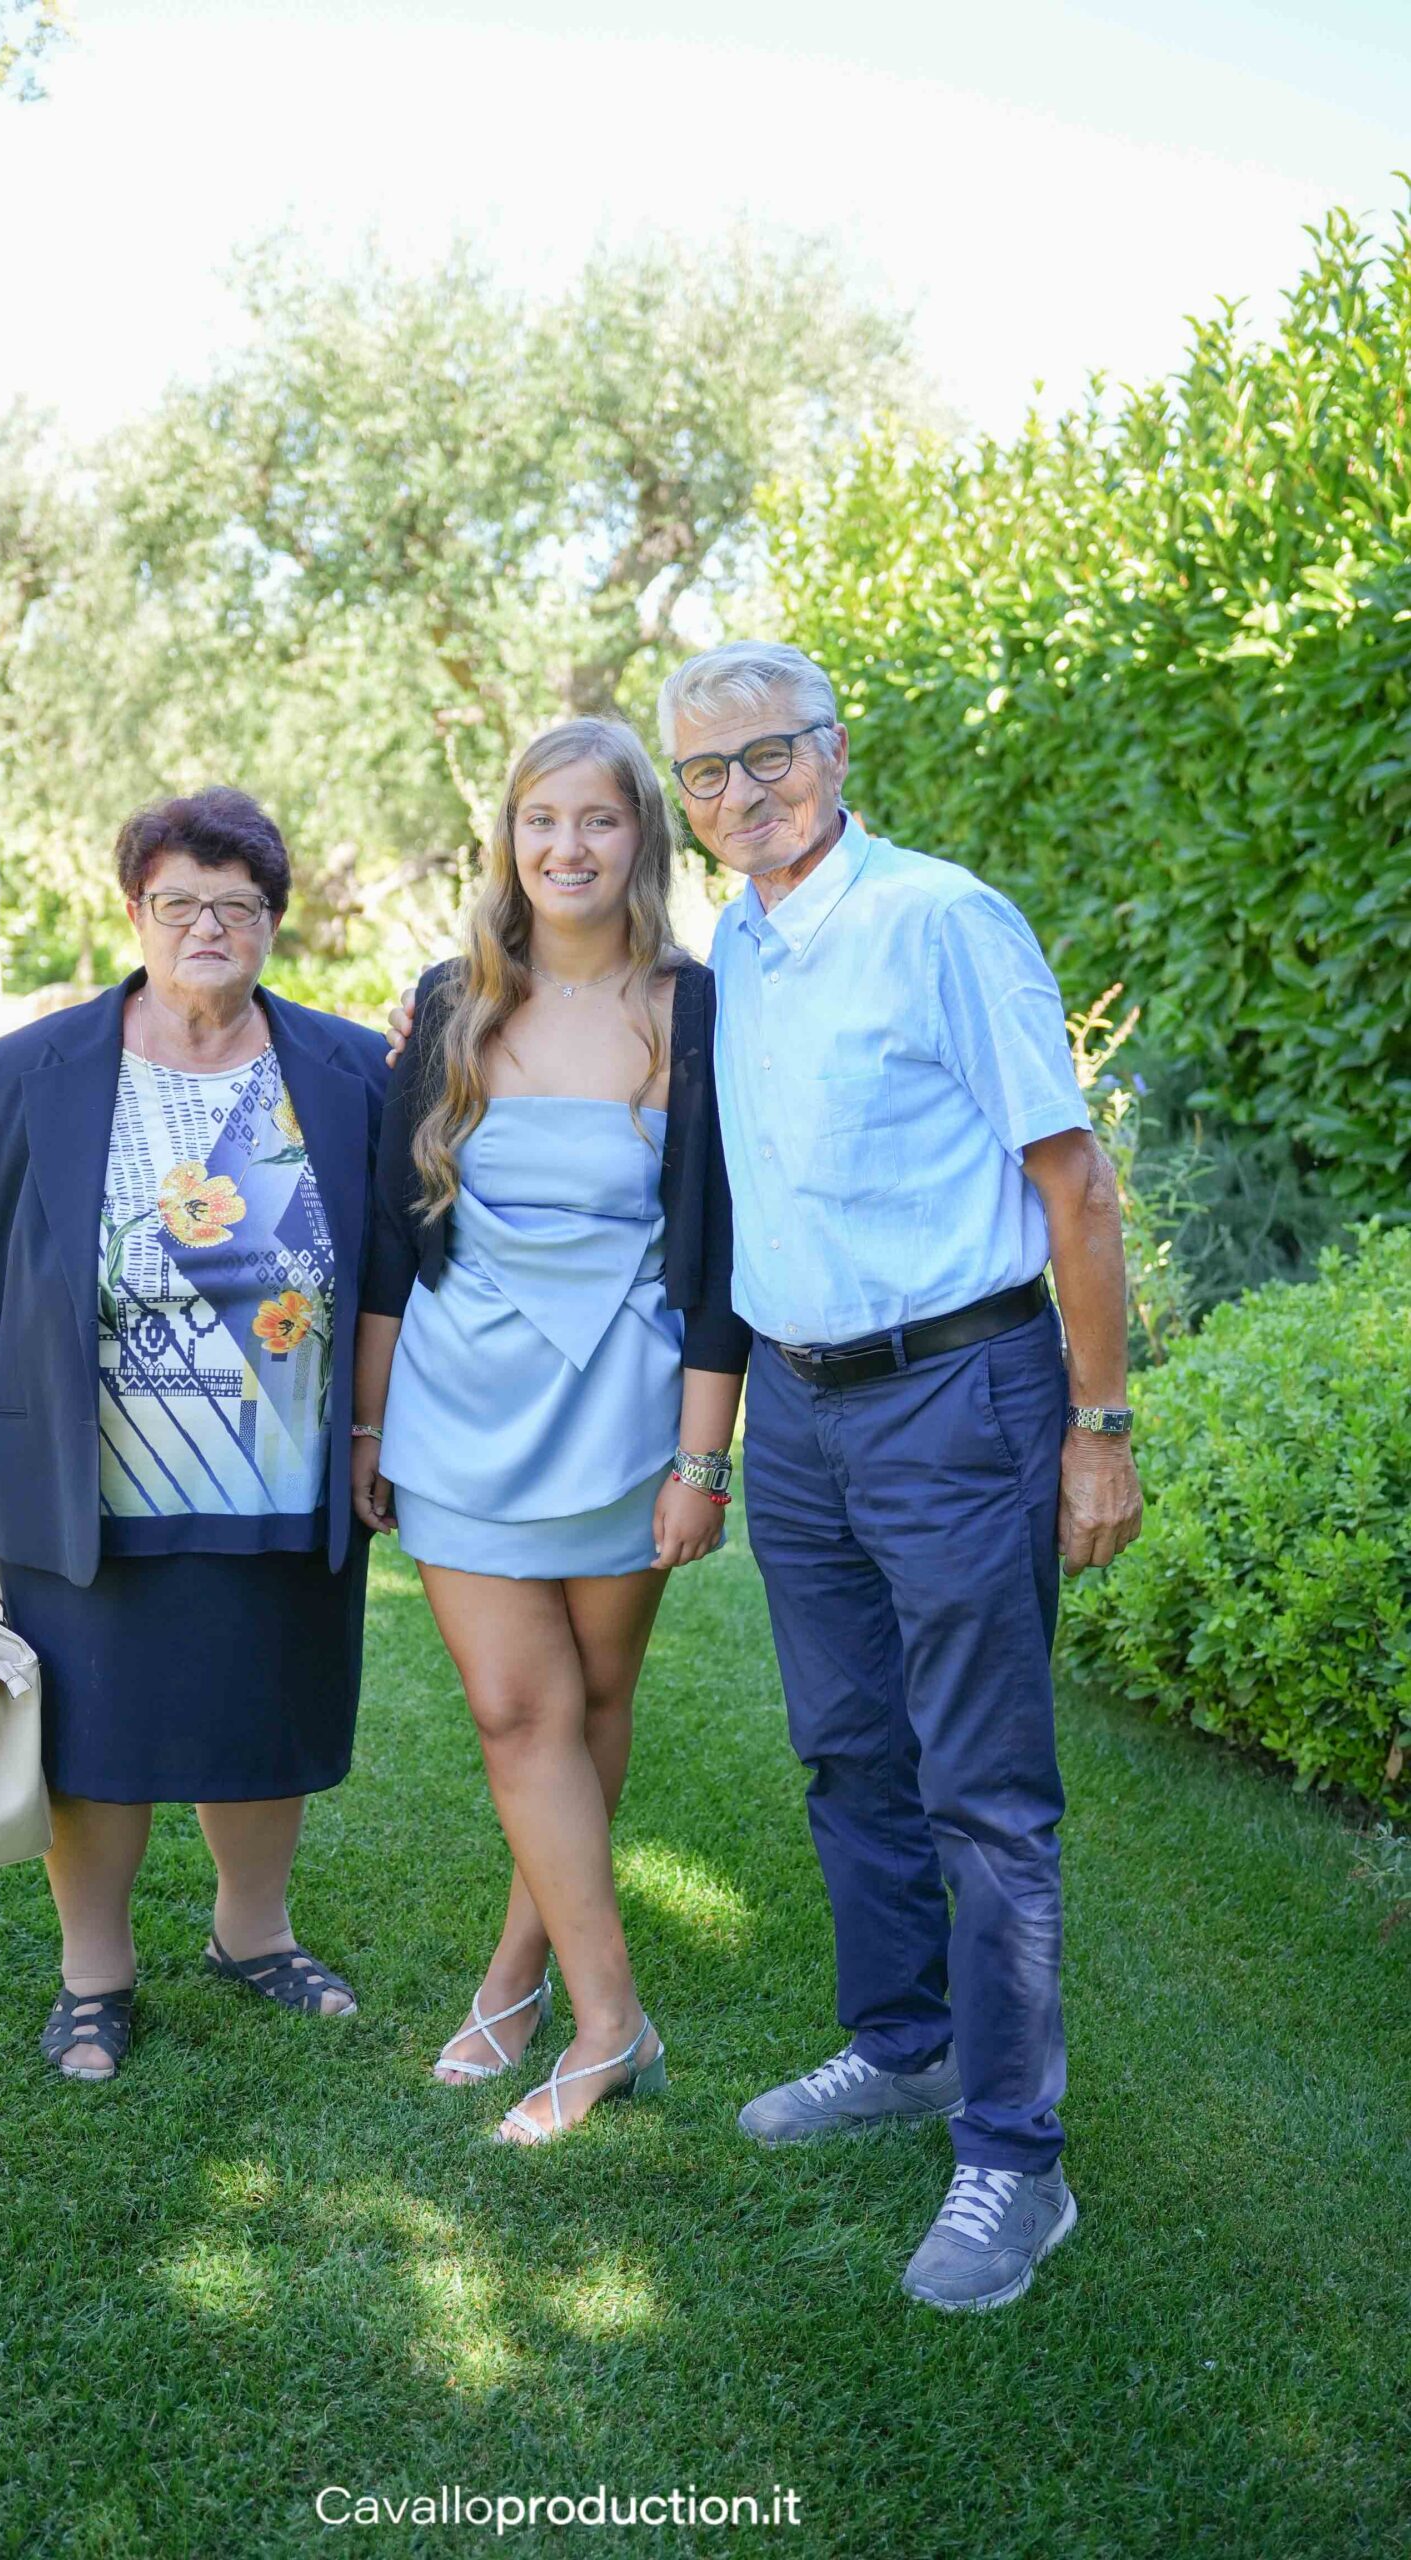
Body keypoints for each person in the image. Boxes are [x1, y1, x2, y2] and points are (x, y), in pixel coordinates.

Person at [384, 648, 1141, 2300]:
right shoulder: (744, 955)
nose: (746, 792)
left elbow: (1073, 1181)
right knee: (850, 1752)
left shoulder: (939, 920)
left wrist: (1098, 1427)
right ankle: (904, 2046)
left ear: (836, 750)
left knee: (984, 1790)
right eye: (711, 770)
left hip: (959, 1394)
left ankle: (1013, 2159)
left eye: (771, 756)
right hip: (800, 1409)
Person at [0, 787, 389, 2081]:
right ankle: (93, 1975)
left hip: (282, 1458)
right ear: (135, 913)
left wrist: (374, 1430)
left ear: (272, 921)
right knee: (91, 1734)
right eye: (180, 903)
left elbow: (390, 1262)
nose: (206, 927)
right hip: (84, 1466)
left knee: (260, 1708)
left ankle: (253, 1933)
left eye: (237, 904)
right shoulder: (28, 1069)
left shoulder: (348, 1070)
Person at [355, 717, 748, 2145]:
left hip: (626, 1411)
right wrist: (367, 1425)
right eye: (541, 819)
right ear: (507, 839)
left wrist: (702, 1459)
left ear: (643, 836)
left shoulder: (695, 1011)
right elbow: (392, 1239)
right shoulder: (449, 1002)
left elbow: (720, 1254)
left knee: (589, 1705)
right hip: (459, 1399)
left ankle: (521, 1983)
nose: (567, 847)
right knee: (514, 1712)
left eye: (599, 818)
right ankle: (610, 2023)